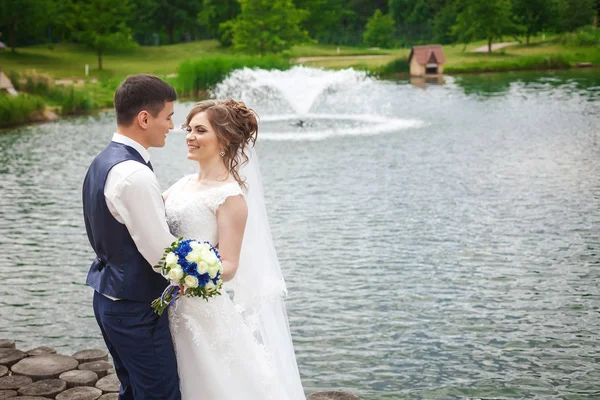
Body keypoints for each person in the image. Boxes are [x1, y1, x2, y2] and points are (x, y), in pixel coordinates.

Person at [164, 99, 305, 400]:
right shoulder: (182, 184)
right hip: (169, 304)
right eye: (188, 129)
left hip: (200, 309)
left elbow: (229, 265)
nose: (189, 136)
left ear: (224, 140)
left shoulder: (230, 197)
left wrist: (193, 274)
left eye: (200, 130)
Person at [82, 74, 181, 400]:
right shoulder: (134, 174)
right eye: (168, 117)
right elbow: (163, 256)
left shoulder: (103, 162)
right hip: (136, 309)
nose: (171, 125)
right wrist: (202, 266)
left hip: (110, 297)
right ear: (144, 118)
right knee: (160, 395)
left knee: (133, 392)